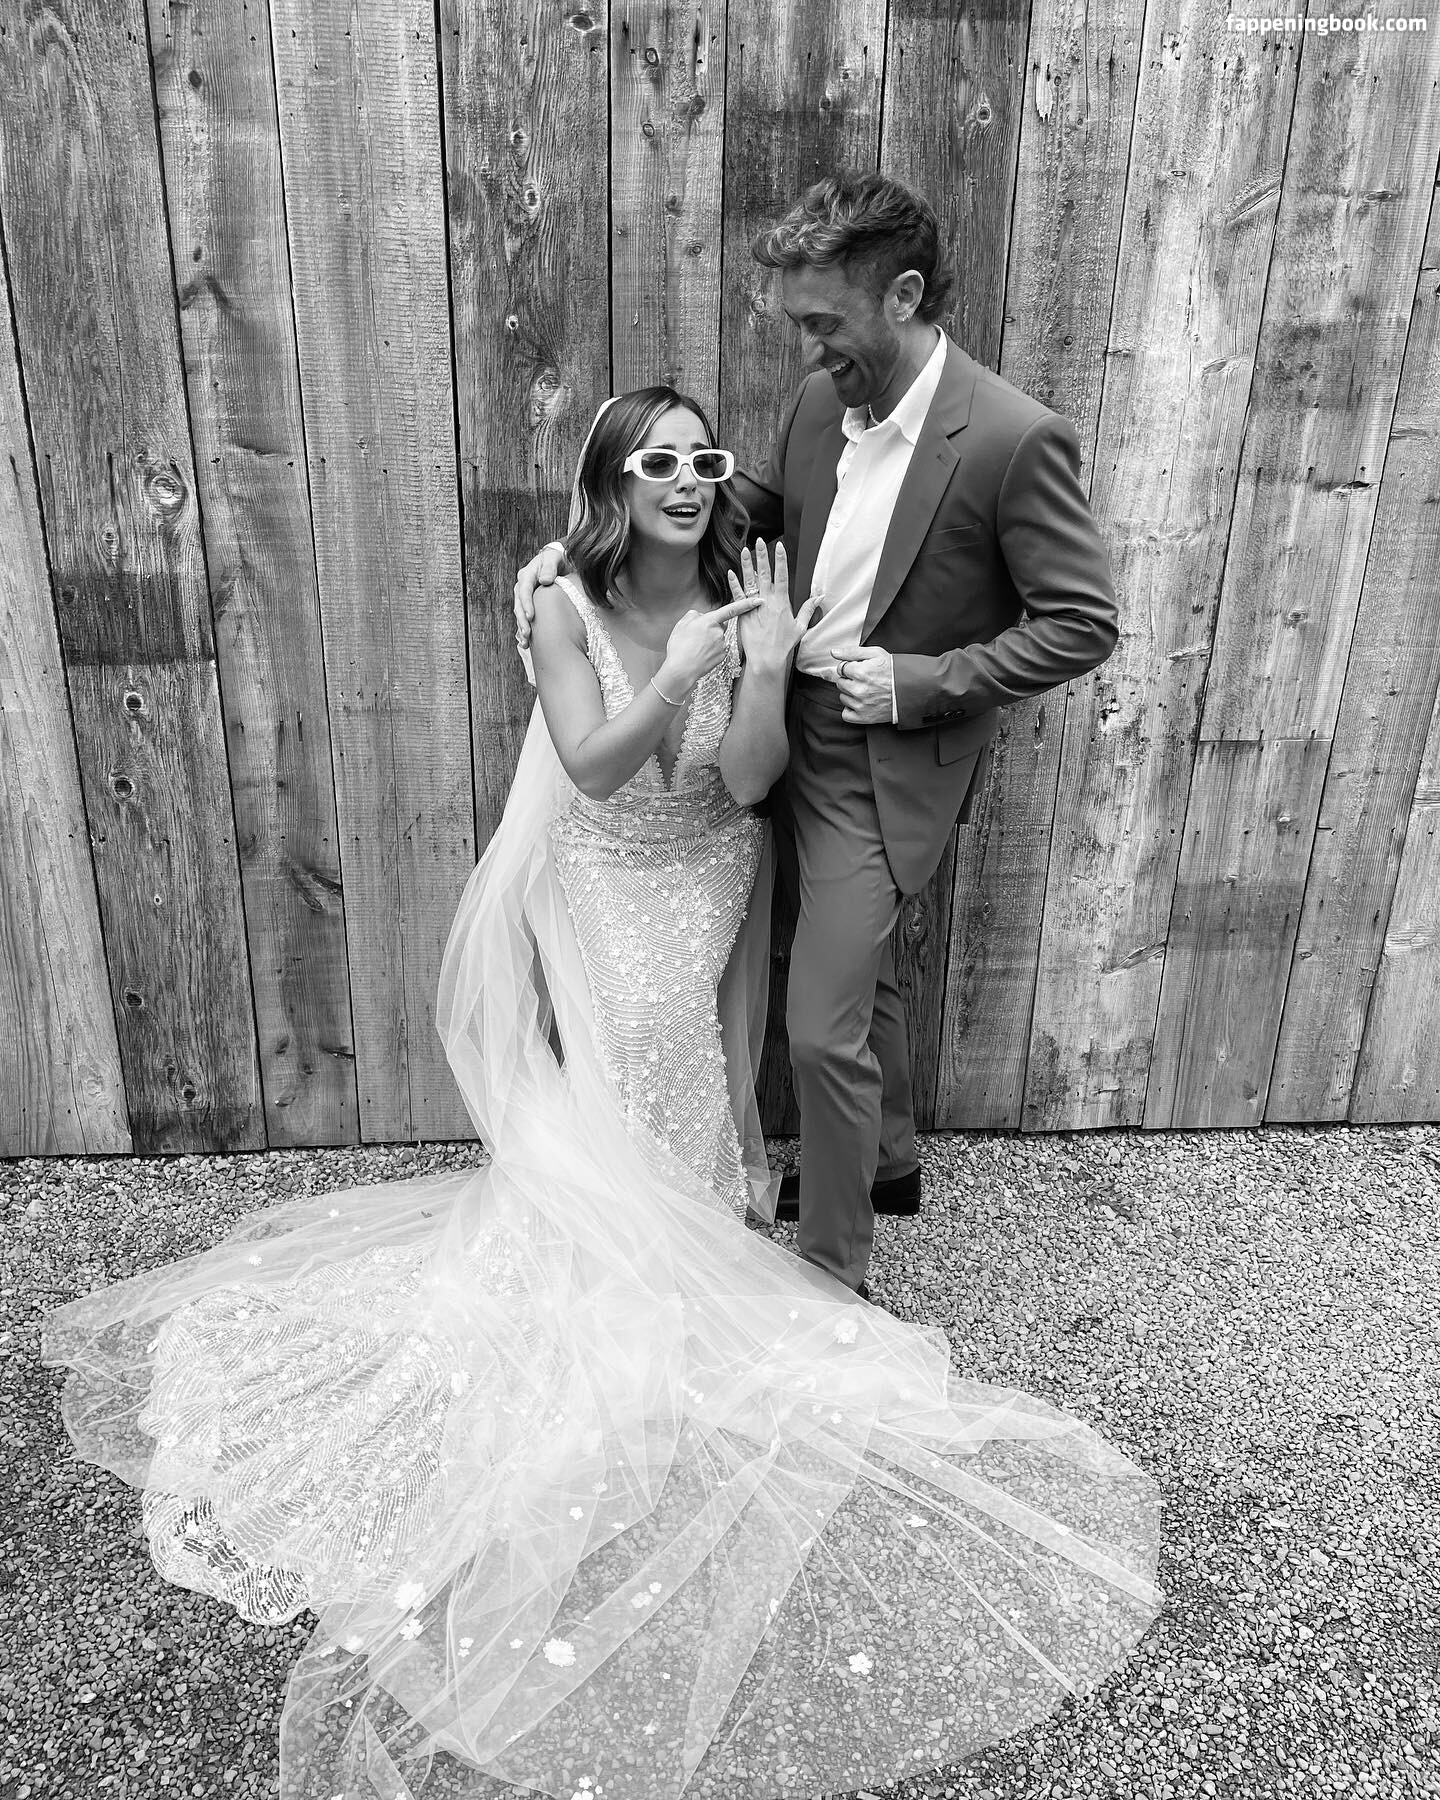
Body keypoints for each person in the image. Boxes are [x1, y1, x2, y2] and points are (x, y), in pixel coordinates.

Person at [42, 386, 1158, 1800]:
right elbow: (589, 763)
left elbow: (745, 785)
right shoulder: (560, 599)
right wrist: (683, 667)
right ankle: (626, 1255)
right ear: (614, 484)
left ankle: (677, 1233)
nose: (688, 480)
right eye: (658, 462)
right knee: (634, 1037)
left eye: (705, 459)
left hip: (709, 861)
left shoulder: (745, 589)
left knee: (689, 1054)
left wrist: (760, 668)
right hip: (607, 860)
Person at [515, 172, 1121, 1298]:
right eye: (797, 323)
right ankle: (887, 1162)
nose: (806, 347)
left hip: (877, 763)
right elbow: (739, 501)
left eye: (822, 322)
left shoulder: (1014, 437)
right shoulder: (815, 402)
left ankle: (833, 1279)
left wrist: (920, 681)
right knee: (854, 970)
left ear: (903, 296)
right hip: (757, 726)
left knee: (821, 1026)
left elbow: (1083, 623)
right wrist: (578, 549)